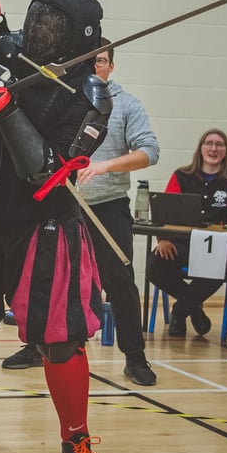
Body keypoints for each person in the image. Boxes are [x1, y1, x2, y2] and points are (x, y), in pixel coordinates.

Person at [0, 0, 113, 453]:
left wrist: (5, 108)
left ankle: (75, 440)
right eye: (38, 19)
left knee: (61, 339)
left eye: (53, 25)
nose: (40, 32)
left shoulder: (91, 94)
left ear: (78, 35)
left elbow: (44, 173)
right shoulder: (11, 50)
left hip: (45, 223)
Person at [74, 38, 160, 386]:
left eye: (102, 61)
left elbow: (149, 151)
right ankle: (39, 347)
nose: (96, 66)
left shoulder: (126, 105)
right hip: (66, 206)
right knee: (54, 281)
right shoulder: (67, 101)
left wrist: (106, 165)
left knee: (121, 283)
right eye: (90, 61)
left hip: (108, 208)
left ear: (111, 66)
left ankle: (135, 357)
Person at [146, 129, 227, 337]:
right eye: (209, 143)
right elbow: (165, 213)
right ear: (200, 148)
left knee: (220, 266)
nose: (213, 148)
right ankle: (193, 308)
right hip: (182, 244)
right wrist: (164, 239)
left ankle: (180, 311)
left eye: (219, 144)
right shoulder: (181, 176)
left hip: (218, 248)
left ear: (225, 151)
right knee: (154, 265)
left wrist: (223, 247)